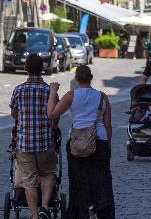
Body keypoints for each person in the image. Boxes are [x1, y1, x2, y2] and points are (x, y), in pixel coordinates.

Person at [50, 64, 114, 219]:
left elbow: (52, 114)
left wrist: (53, 92)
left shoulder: (71, 96)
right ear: (91, 78)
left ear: (76, 79)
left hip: (77, 142)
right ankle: (103, 212)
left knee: (78, 181)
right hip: (99, 139)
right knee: (102, 180)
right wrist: (107, 144)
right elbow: (107, 125)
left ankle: (81, 213)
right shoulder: (102, 96)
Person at [9, 53, 59, 219]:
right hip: (45, 142)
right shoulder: (48, 91)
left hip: (25, 143)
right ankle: (44, 206)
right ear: (42, 69)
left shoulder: (19, 90)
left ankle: (35, 216)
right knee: (49, 173)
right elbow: (55, 116)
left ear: (25, 69)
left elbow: (14, 114)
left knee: (29, 180)